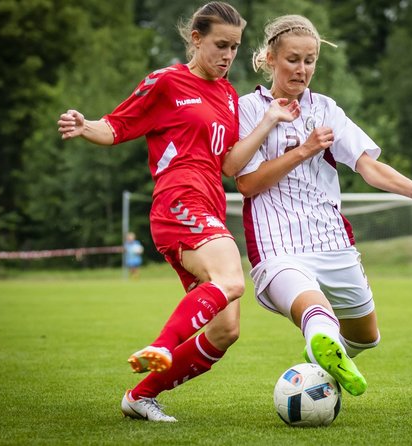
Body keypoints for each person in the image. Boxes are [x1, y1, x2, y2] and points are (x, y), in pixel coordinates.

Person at [57, 2, 300, 422]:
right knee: (231, 278)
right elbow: (116, 126)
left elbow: (228, 164)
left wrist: (268, 121)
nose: (228, 55)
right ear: (195, 38)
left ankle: (139, 396)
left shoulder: (225, 94)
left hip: (209, 206)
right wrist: (85, 126)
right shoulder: (166, 82)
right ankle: (162, 347)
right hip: (178, 201)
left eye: (235, 48)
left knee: (226, 331)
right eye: (220, 45)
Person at [235, 15, 412, 396]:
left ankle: (314, 365)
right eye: (292, 59)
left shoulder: (326, 109)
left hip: (330, 238)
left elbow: (367, 166)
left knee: (367, 337)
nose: (302, 69)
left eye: (310, 60)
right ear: (270, 58)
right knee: (315, 312)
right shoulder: (249, 109)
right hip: (278, 242)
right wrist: (304, 150)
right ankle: (320, 339)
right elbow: (247, 182)